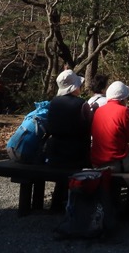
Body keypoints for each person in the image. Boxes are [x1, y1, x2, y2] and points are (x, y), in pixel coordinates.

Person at [45, 69, 93, 211]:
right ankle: (79, 204)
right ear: (74, 87)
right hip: (77, 153)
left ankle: (56, 202)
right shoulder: (82, 104)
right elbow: (89, 126)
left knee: (62, 176)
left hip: (55, 152)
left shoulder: (53, 103)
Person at [90, 81, 129, 173]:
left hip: (97, 161)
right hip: (116, 161)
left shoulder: (99, 111)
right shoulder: (124, 111)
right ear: (123, 99)